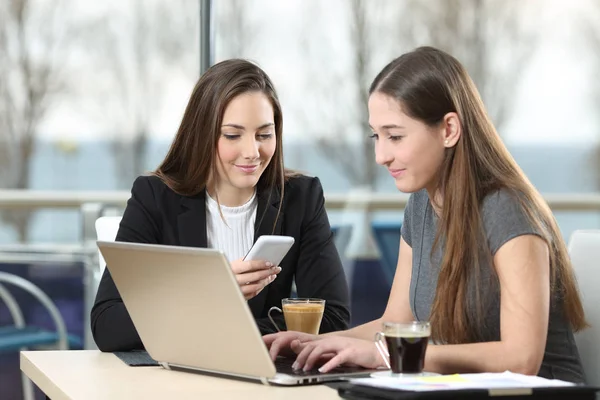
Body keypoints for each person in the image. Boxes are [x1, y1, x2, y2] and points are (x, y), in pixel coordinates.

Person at [264, 47, 587, 383]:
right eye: (377, 136)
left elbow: (521, 359)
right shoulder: (420, 206)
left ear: (449, 129)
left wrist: (389, 356)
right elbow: (394, 325)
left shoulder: (508, 210)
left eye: (395, 136)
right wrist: (312, 344)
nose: (381, 156)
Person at [91, 59, 350, 352]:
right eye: (232, 135)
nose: (252, 152)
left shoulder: (301, 198)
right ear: (203, 134)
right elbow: (108, 326)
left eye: (264, 135)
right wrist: (210, 292)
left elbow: (333, 318)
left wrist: (209, 329)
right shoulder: (154, 198)